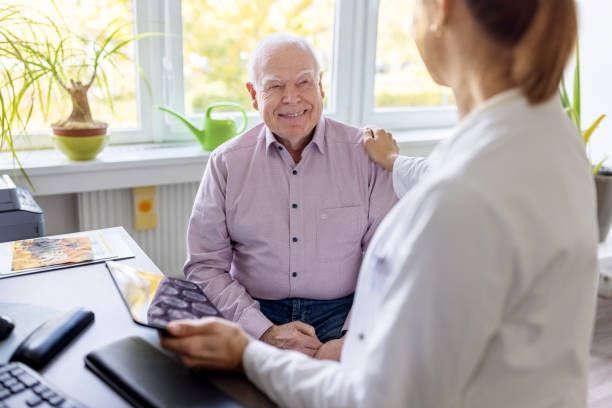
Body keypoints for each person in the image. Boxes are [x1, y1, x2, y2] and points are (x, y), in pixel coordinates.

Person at [162, 0, 599, 406]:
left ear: (441, 11)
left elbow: (374, 397)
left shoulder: (463, 197)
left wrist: (246, 355)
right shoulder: (556, 144)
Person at [183, 33, 397, 361]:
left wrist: (353, 337)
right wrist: (263, 330)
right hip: (252, 314)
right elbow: (205, 266)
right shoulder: (227, 163)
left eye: (303, 82)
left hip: (347, 315)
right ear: (254, 95)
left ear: (321, 86)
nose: (292, 98)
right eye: (275, 86)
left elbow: (386, 260)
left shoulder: (367, 155)